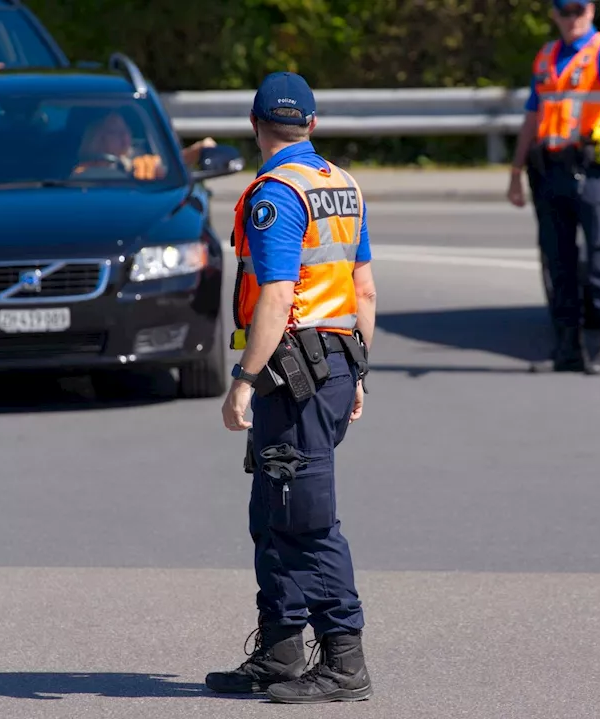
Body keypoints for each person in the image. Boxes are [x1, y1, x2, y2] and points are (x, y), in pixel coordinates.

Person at [208, 70, 376, 705]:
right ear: (312, 122)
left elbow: (277, 297)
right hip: (332, 367)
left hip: (292, 374)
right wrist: (358, 374)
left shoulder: (275, 194)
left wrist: (242, 382)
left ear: (254, 125)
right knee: (272, 510)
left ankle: (343, 659)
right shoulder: (343, 186)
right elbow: (362, 291)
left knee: (305, 520)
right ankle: (280, 650)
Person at [508, 0, 600, 374]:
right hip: (550, 169)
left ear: (591, 11)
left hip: (593, 168)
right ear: (554, 14)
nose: (572, 19)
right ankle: (567, 348)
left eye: (578, 11)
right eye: (564, 11)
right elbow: (533, 113)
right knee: (558, 261)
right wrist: (516, 170)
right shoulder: (548, 55)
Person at [74, 111, 218, 179]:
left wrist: (198, 149)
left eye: (126, 131)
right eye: (115, 132)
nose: (124, 137)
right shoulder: (81, 170)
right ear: (99, 137)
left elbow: (173, 164)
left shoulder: (140, 160)